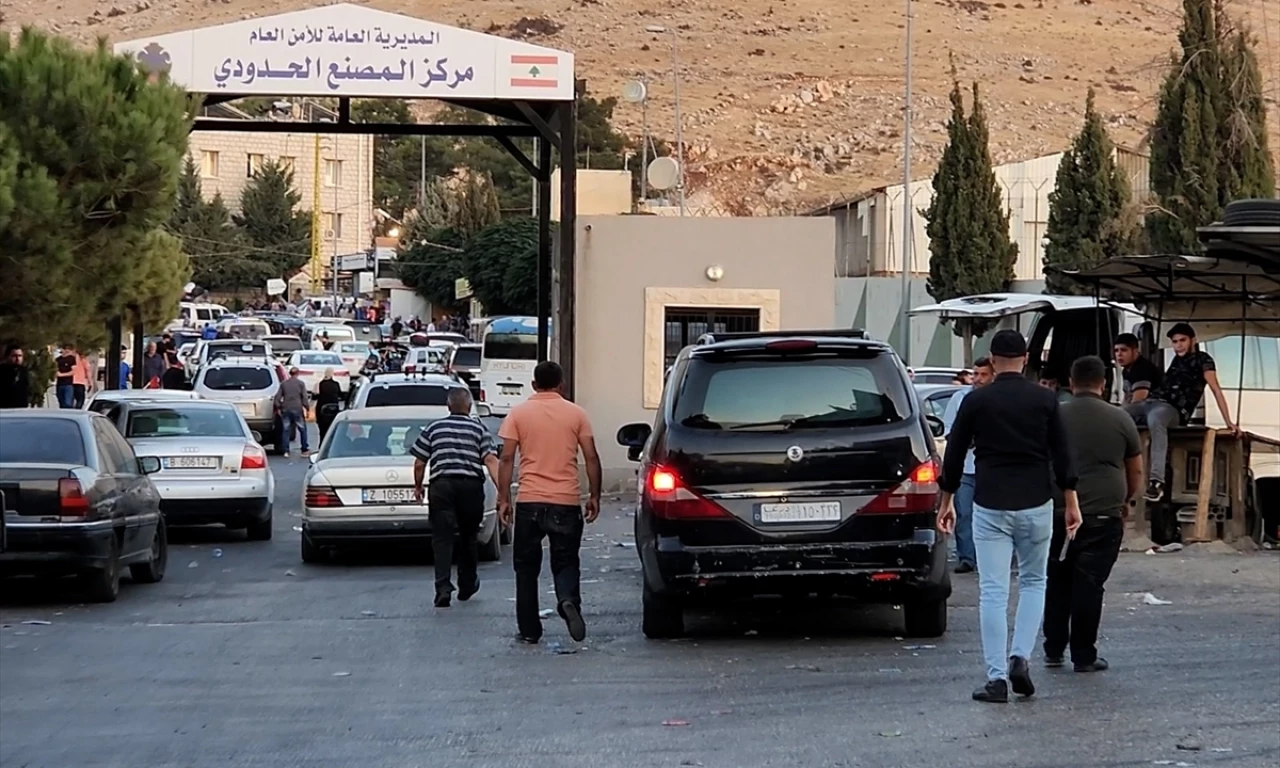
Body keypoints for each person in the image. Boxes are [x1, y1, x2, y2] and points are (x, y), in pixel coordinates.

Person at [938, 329, 1081, 704]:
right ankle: (1021, 657)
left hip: (990, 502)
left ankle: (996, 678)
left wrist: (946, 500)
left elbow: (954, 454)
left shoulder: (976, 400)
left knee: (993, 591)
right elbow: (1062, 453)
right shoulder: (1045, 399)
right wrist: (1071, 499)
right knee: (1034, 581)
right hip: (1036, 501)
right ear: (1026, 359)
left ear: (992, 359)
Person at [1045, 355, 1143, 674]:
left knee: (1056, 581)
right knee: (1090, 584)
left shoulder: (1054, 415)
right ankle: (1084, 655)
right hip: (1103, 513)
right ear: (1104, 383)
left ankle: (1053, 647)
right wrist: (1125, 499)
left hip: (1057, 511)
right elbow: (1135, 469)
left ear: (1070, 383)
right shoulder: (1121, 419)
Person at [497, 361, 602, 644]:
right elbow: (591, 457)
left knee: (526, 568)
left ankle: (530, 629)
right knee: (566, 561)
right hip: (566, 501)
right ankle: (567, 600)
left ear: (533, 385)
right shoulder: (576, 414)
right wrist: (594, 495)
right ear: (561, 385)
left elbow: (506, 458)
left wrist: (504, 498)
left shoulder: (518, 414)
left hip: (529, 501)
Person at [1124, 322, 1237, 502]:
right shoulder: (1176, 361)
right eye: (1175, 342)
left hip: (1173, 409)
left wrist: (1228, 422)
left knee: (1156, 420)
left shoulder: (1203, 360)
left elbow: (1215, 389)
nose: (1179, 345)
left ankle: (1156, 482)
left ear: (1193, 340)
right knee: (1118, 415)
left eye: (1182, 340)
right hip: (1151, 402)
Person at [411, 388, 500, 608]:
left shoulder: (434, 428)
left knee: (442, 538)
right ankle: (467, 583)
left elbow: (420, 462)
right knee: (469, 536)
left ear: (448, 406)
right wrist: (503, 491)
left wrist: (418, 486)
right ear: (469, 407)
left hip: (442, 487)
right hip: (470, 487)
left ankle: (442, 588)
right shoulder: (478, 429)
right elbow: (490, 460)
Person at [940, 357, 995, 574]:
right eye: (975, 374)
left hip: (989, 467)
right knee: (964, 514)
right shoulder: (960, 398)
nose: (978, 379)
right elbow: (950, 431)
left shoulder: (997, 399)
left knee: (989, 515)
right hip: (965, 467)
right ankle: (967, 557)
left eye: (983, 374)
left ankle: (987, 557)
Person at [1113, 333, 1162, 405]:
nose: (1119, 354)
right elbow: (1127, 397)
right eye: (1116, 350)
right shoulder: (1126, 370)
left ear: (1135, 351)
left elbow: (1138, 401)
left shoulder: (1143, 369)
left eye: (1124, 350)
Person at [275, 367, 311, 458]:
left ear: (290, 373)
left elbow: (277, 398)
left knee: (286, 430)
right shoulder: (300, 384)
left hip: (286, 408)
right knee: (302, 429)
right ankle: (304, 449)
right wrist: (307, 408)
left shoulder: (284, 384)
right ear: (297, 373)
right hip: (297, 408)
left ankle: (286, 450)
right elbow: (304, 398)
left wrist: (278, 407)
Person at [314, 368, 343, 442]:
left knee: (322, 431)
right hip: (333, 410)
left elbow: (315, 396)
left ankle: (322, 443)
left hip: (322, 409)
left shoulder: (320, 384)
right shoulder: (336, 384)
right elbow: (341, 395)